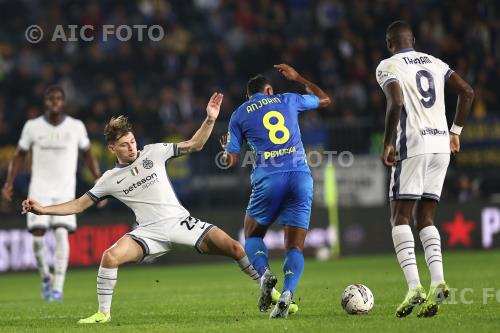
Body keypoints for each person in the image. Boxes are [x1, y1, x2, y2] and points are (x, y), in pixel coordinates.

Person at [22, 93, 263, 324]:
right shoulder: (109, 179)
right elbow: (78, 205)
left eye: (132, 141)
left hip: (179, 222)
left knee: (234, 247)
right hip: (148, 232)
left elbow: (195, 145)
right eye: (124, 144)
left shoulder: (154, 152)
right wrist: (43, 210)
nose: (131, 147)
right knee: (110, 256)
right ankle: (102, 314)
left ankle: (267, 290)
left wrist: (210, 118)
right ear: (111, 149)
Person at [376, 21, 474, 317]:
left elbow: (395, 102)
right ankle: (439, 281)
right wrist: (455, 131)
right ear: (414, 40)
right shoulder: (435, 62)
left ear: (389, 43)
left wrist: (387, 143)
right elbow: (467, 92)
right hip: (441, 145)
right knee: (426, 216)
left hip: (413, 144)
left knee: (400, 216)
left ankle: (415, 287)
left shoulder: (388, 65)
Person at [221, 64, 331, 318]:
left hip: (269, 179)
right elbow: (325, 100)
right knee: (295, 247)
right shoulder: (287, 99)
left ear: (250, 96)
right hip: (300, 177)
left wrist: (226, 149)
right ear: (268, 90)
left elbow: (231, 161)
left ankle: (265, 273)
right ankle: (288, 293)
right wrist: (298, 76)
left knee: (252, 235)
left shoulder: (239, 114)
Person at [2, 86, 102, 301]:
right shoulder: (32, 126)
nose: (55, 102)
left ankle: (57, 287)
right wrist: (9, 182)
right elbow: (19, 155)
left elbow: (88, 155)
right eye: (51, 99)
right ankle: (45, 277)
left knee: (61, 234)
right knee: (37, 239)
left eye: (58, 98)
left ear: (63, 102)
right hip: (39, 189)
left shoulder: (76, 126)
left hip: (65, 190)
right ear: (45, 102)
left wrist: (98, 180)